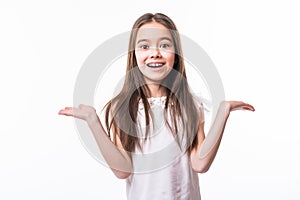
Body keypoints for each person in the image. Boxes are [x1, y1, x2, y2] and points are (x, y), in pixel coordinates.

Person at [58, 13, 255, 200]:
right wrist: (93, 121)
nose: (155, 53)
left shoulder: (191, 105)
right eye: (145, 46)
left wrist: (222, 113)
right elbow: (122, 170)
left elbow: (200, 163)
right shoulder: (122, 108)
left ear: (176, 55)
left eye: (164, 45)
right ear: (134, 55)